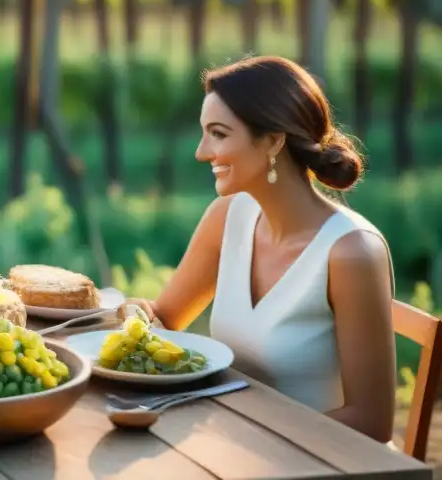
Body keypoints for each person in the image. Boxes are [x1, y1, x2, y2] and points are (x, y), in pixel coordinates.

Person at [118, 55, 396, 443]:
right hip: (239, 448)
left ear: (272, 140)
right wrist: (134, 316)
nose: (201, 152)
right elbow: (165, 319)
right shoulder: (227, 217)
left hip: (321, 464)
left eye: (218, 133)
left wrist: (247, 435)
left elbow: (372, 422)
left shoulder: (351, 252)